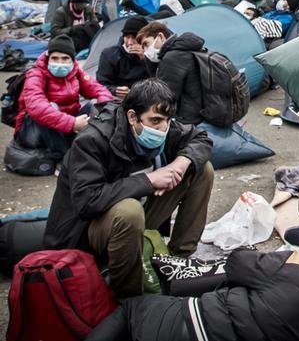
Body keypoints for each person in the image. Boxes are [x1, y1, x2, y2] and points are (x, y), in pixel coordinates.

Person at [43, 79, 212, 298]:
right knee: (129, 210)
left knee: (201, 169)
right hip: (89, 234)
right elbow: (87, 201)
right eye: (156, 121)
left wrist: (180, 162)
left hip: (136, 221)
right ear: (132, 116)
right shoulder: (92, 141)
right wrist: (148, 181)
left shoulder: (162, 127)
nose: (163, 128)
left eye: (167, 120)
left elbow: (201, 138)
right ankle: (129, 297)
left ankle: (178, 259)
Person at [86, 231, 299, 341]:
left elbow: (236, 262)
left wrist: (287, 258)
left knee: (132, 308)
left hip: (192, 325)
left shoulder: (294, 269)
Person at [12, 36, 112, 163]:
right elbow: (37, 107)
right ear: (48, 59)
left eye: (65, 58)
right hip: (34, 132)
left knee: (95, 106)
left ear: (72, 60)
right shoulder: (35, 74)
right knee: (50, 107)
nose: (60, 63)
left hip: (65, 126)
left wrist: (101, 105)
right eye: (55, 58)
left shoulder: (76, 72)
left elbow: (99, 90)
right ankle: (62, 157)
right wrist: (72, 123)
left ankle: (96, 148)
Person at [136, 22, 207, 125]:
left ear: (160, 36)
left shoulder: (171, 58)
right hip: (201, 112)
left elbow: (163, 97)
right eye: (143, 48)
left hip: (189, 120)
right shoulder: (182, 49)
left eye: (146, 44)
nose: (146, 51)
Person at [97, 16, 152, 99]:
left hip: (147, 97)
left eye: (134, 37)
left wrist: (146, 60)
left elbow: (159, 81)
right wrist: (114, 90)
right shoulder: (109, 54)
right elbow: (101, 84)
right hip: (119, 99)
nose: (130, 42)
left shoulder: (153, 54)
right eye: (127, 37)